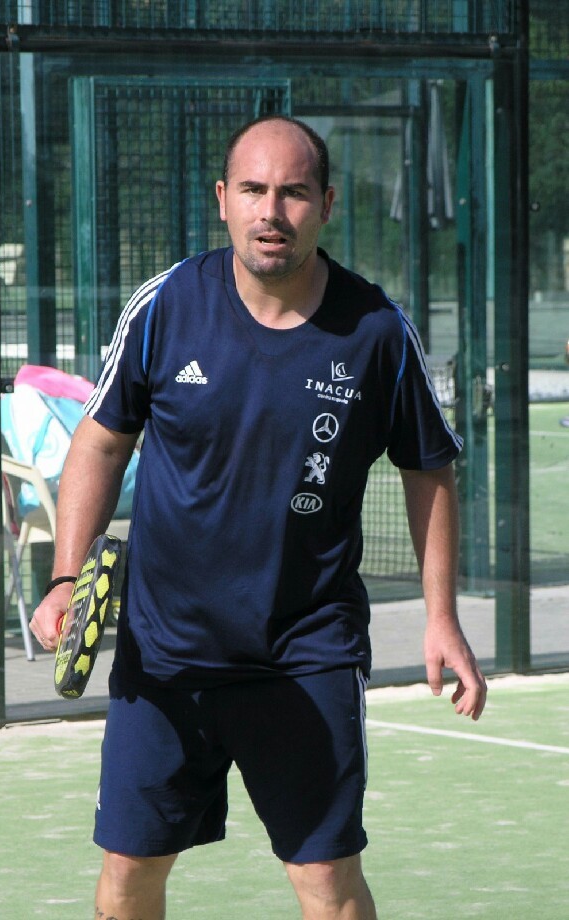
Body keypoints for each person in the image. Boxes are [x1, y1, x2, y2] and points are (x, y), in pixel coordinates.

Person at [30, 115, 487, 920]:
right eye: (252, 190)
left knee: (327, 884)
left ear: (326, 204)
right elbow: (99, 444)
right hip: (164, 655)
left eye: (293, 192)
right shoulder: (166, 305)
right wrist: (67, 576)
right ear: (223, 199)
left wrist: (441, 617)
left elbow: (428, 470)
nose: (270, 211)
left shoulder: (376, 331)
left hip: (304, 652)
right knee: (128, 876)